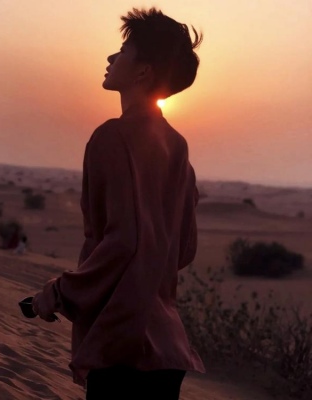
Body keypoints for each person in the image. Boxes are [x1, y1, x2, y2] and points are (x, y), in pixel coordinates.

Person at [32, 7, 205, 399]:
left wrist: (59, 293)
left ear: (144, 71)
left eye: (124, 50)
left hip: (124, 348)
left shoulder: (113, 137)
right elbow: (182, 250)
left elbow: (124, 242)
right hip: (167, 350)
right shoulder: (178, 147)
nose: (111, 57)